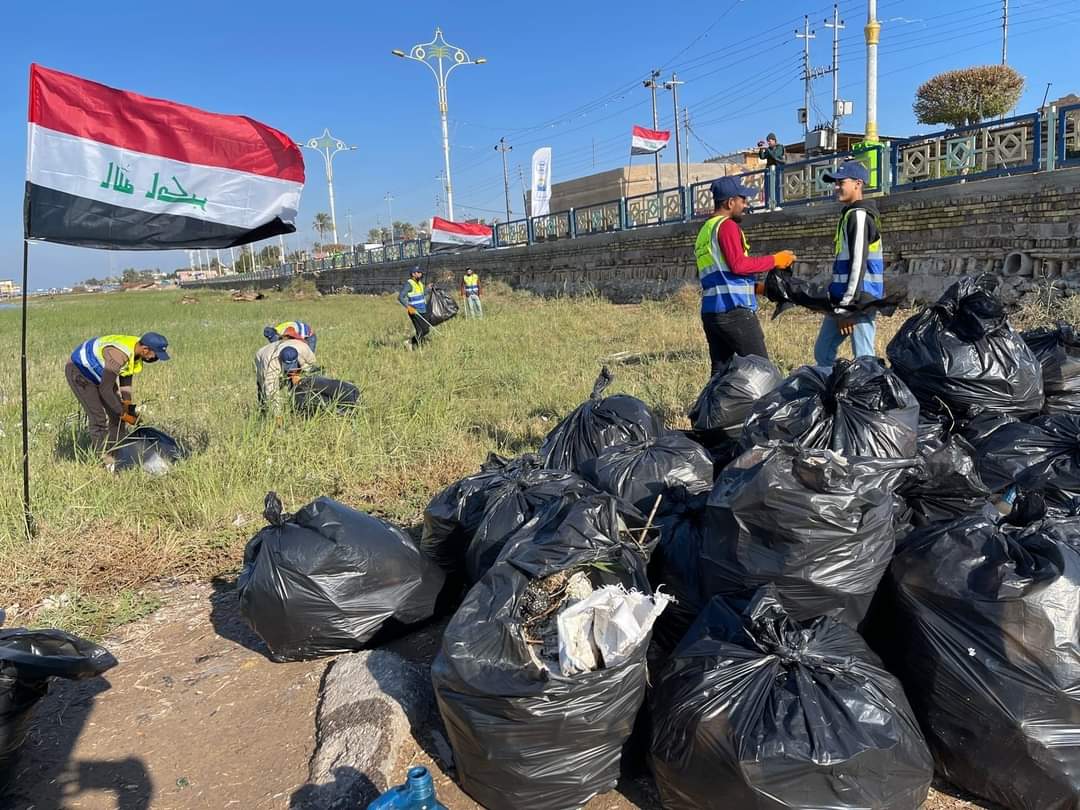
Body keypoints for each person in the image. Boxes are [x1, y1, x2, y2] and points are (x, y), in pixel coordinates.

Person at [695, 176, 797, 374]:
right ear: (730, 202)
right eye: (742, 200)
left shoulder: (705, 231)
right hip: (734, 313)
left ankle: (712, 405)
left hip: (712, 313)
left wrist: (757, 289)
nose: (745, 205)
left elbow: (719, 276)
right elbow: (738, 265)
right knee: (762, 371)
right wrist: (776, 260)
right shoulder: (727, 226)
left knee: (721, 375)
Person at [813, 159, 884, 366]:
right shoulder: (848, 215)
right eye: (835, 183)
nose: (836, 187)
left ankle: (867, 394)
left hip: (860, 300)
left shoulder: (859, 216)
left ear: (858, 183)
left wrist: (848, 308)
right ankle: (836, 392)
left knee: (864, 359)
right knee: (823, 352)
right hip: (842, 298)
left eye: (840, 182)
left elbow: (857, 264)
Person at [65, 332, 171, 462]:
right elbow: (105, 390)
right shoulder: (118, 355)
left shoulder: (136, 351)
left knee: (117, 417)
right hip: (79, 370)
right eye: (156, 355)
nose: (156, 358)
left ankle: (117, 455)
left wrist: (127, 406)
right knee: (98, 418)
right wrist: (123, 413)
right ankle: (105, 461)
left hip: (99, 372)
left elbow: (126, 377)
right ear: (145, 350)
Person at [254, 336, 317, 414]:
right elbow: (271, 389)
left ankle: (298, 407)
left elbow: (311, 364)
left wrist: (301, 376)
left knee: (300, 383)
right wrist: (277, 414)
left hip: (292, 348)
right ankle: (263, 412)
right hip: (262, 356)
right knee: (264, 389)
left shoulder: (303, 348)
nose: (291, 371)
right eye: (288, 367)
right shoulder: (270, 361)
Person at [399, 267, 430, 348]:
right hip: (414, 311)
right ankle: (413, 344)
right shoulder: (409, 284)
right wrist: (409, 307)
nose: (421, 274)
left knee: (425, 330)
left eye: (421, 272)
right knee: (421, 330)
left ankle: (411, 343)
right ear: (413, 274)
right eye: (418, 272)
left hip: (423, 310)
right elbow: (400, 297)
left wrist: (428, 289)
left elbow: (422, 294)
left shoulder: (420, 283)